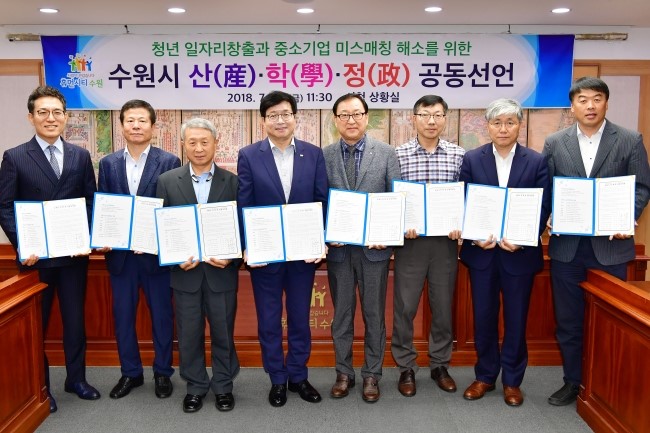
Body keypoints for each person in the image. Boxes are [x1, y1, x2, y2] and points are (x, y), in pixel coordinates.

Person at [543, 77, 650, 406]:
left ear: (606, 102)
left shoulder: (629, 139)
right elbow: (547, 189)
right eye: (583, 100)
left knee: (609, 321)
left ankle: (604, 383)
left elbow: (641, 188)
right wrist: (547, 216)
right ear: (572, 106)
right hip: (568, 248)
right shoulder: (555, 142)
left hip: (611, 247)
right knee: (569, 320)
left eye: (597, 99)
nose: (590, 105)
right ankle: (573, 381)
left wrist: (626, 217)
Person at [0, 85, 99, 413]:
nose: (50, 118)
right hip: (36, 259)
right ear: (31, 117)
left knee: (75, 322)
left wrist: (85, 239)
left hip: (72, 257)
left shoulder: (80, 156)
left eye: (57, 112)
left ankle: (77, 380)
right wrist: (23, 243)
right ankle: (40, 387)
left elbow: (90, 201)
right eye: (43, 112)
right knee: (36, 326)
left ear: (66, 117)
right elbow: (4, 206)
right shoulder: (15, 156)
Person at [237, 91, 328, 408]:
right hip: (267, 255)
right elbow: (245, 203)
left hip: (303, 254)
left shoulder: (313, 154)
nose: (280, 120)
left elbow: (321, 200)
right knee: (269, 319)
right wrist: (247, 245)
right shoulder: (249, 155)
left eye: (285, 114)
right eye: (273, 115)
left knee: (300, 318)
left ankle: (298, 376)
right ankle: (277, 378)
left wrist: (320, 240)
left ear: (295, 117)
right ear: (263, 120)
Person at [459, 98, 551, 407]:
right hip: (482, 254)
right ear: (487, 126)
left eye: (510, 122)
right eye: (497, 122)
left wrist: (524, 239)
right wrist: (474, 237)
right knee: (483, 317)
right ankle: (485, 375)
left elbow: (543, 205)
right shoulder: (472, 159)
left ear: (519, 125)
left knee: (516, 319)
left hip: (519, 255)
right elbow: (464, 201)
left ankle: (512, 381)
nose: (503, 128)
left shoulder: (536, 161)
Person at [97, 99, 180, 400]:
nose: (136, 126)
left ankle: (163, 372)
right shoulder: (108, 163)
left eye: (142, 120)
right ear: (121, 126)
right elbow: (104, 204)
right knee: (123, 318)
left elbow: (174, 208)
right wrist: (103, 235)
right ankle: (130, 373)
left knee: (162, 317)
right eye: (130, 120)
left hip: (155, 257)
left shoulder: (169, 161)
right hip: (120, 257)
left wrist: (159, 240)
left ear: (153, 127)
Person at [156, 118, 241, 413]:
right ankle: (195, 386)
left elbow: (241, 227)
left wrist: (232, 256)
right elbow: (161, 228)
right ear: (183, 145)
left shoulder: (233, 181)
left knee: (223, 332)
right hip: (185, 274)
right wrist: (173, 257)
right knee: (189, 334)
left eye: (205, 142)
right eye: (192, 142)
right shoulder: (167, 181)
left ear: (216, 143)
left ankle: (223, 386)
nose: (199, 148)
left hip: (221, 272)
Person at [323, 93, 401, 403]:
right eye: (344, 115)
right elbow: (318, 200)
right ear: (336, 120)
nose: (351, 120)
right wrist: (325, 232)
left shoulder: (387, 153)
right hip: (340, 250)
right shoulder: (324, 155)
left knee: (374, 315)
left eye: (357, 114)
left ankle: (372, 374)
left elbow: (396, 198)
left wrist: (389, 234)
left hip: (374, 251)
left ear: (367, 118)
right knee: (342, 315)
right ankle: (344, 373)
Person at [391, 95, 464, 397]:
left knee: (442, 307)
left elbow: (466, 197)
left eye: (437, 115)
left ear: (446, 118)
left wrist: (461, 223)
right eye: (425, 115)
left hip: (445, 244)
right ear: (414, 119)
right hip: (411, 243)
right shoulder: (398, 155)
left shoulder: (459, 155)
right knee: (405, 307)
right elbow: (390, 198)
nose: (431, 121)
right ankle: (406, 366)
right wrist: (400, 223)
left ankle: (440, 364)